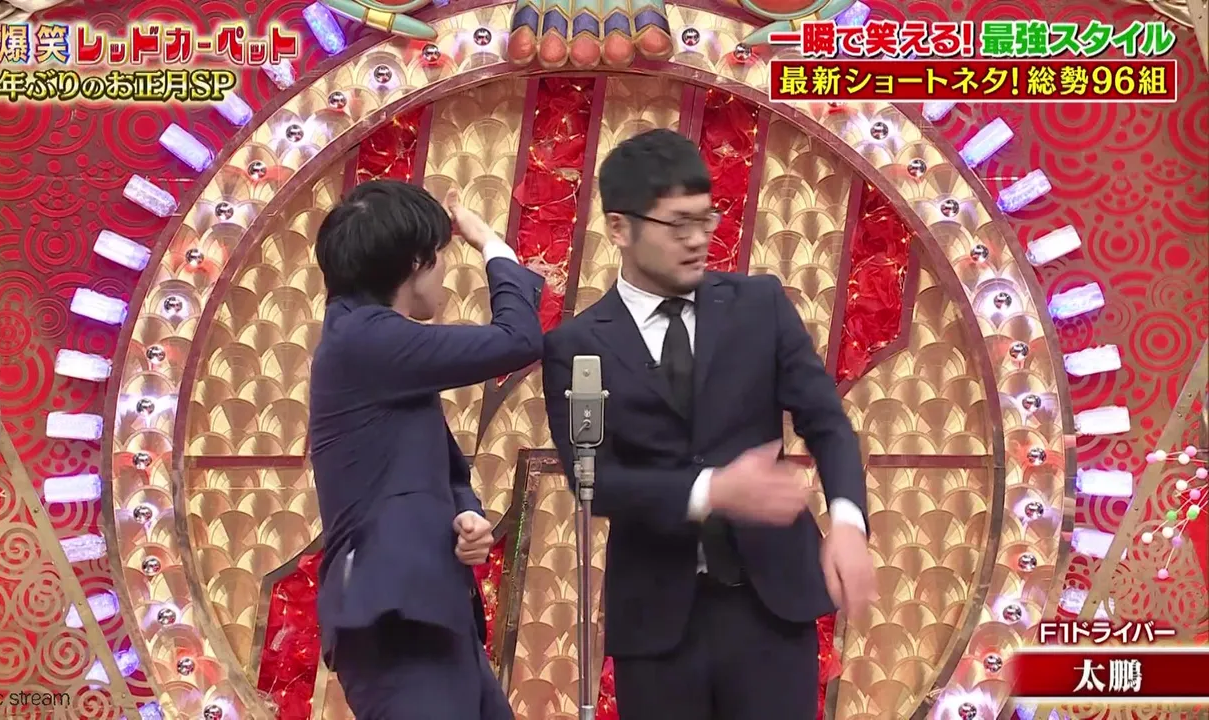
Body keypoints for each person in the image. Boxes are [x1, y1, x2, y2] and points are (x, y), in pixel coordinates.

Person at [542, 129, 876, 720]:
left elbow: (825, 421)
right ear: (619, 228)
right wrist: (712, 491)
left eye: (705, 219)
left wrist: (848, 522)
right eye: (678, 225)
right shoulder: (578, 347)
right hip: (657, 623)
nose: (698, 240)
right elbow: (593, 480)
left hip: (771, 608)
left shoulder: (759, 306)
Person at [310, 180, 543, 720]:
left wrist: (467, 514)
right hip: (396, 621)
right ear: (417, 261)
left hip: (430, 614)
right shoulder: (368, 339)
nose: (444, 273)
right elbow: (518, 339)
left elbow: (439, 469)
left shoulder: (370, 341)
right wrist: (491, 245)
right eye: (443, 256)